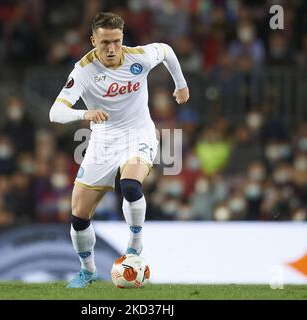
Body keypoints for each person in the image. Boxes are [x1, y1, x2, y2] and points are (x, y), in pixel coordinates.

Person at [49, 12, 189, 288]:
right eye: (104, 43)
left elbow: (167, 51)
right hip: (103, 141)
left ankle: (135, 241)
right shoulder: (84, 70)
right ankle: (87, 271)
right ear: (93, 40)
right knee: (78, 215)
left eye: (116, 41)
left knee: (130, 185)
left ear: (122, 38)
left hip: (139, 134)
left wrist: (181, 84)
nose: (111, 48)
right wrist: (84, 115)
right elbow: (55, 112)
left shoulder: (139, 57)